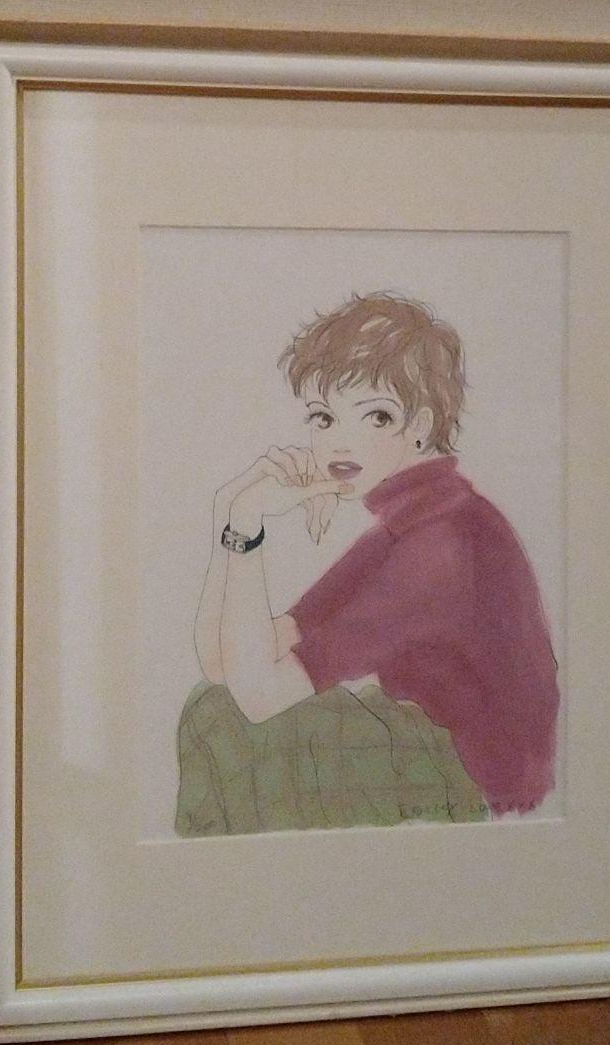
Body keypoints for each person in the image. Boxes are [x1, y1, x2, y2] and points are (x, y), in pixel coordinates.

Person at [181, 292, 558, 833]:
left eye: (376, 416)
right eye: (324, 417)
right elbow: (224, 662)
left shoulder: (440, 546)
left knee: (222, 721)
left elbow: (258, 696)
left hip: (470, 791)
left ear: (421, 424)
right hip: (430, 756)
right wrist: (231, 515)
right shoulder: (412, 523)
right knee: (214, 707)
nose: (340, 442)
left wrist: (247, 528)